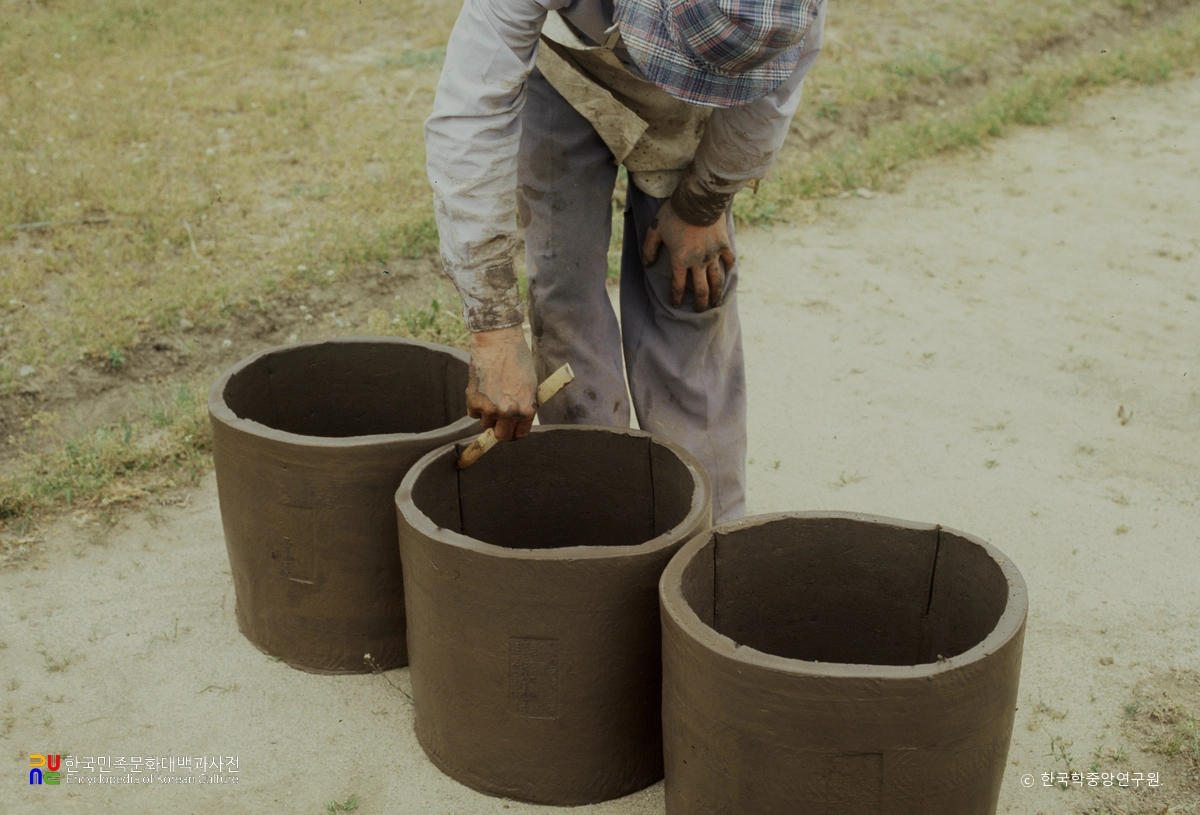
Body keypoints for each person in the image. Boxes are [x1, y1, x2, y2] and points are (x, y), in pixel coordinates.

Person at [426, 0, 825, 523]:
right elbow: (470, 121)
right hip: (568, 63)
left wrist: (704, 200)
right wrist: (494, 330)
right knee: (563, 288)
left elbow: (773, 96)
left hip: (713, 103)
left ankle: (707, 537)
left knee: (691, 288)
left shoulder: (791, 12)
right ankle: (598, 507)